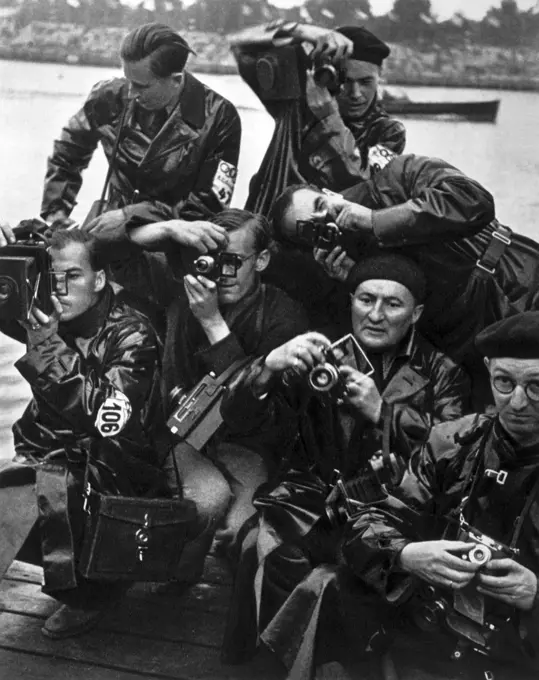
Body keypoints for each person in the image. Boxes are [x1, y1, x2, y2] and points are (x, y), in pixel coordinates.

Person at [218, 253, 470, 677]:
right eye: (366, 299)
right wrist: (267, 367)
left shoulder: (444, 373)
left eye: (393, 304)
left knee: (338, 580)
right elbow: (242, 422)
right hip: (311, 503)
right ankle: (275, 668)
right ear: (350, 300)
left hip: (391, 515)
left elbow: (457, 457)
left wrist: (383, 412)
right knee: (272, 553)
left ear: (416, 313)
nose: (375, 314)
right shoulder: (320, 355)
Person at [87, 207, 309, 588]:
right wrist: (168, 229)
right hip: (179, 435)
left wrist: (212, 323)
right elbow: (100, 247)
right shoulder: (179, 285)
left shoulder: (283, 316)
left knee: (241, 531)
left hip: (244, 441)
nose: (220, 273)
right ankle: (176, 573)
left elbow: (255, 411)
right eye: (212, 260)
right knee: (206, 501)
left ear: (263, 260)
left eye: (234, 262)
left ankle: (204, 558)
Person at [341, 311, 539, 680]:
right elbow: (371, 519)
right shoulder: (452, 441)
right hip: (435, 644)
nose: (516, 403)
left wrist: (535, 594)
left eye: (536, 387)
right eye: (503, 382)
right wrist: (405, 554)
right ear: (488, 371)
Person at [0, 224, 167, 639]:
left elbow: (107, 416)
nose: (59, 288)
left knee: (28, 490)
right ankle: (78, 580)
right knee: (15, 486)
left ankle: (91, 594)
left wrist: (47, 347)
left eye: (73, 276)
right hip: (57, 457)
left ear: (100, 278)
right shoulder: (51, 317)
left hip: (116, 469)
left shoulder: (133, 333)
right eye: (51, 277)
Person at [267, 152, 539, 406]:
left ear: (329, 192)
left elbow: (475, 200)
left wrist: (374, 220)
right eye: (310, 229)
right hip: (473, 337)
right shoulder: (343, 263)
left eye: (319, 205)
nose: (324, 218)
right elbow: (407, 328)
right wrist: (353, 279)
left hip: (517, 276)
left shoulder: (397, 176)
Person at [41, 22, 241, 235]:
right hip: (112, 238)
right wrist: (56, 212)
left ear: (176, 79)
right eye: (128, 81)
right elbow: (67, 152)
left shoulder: (220, 117)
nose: (130, 93)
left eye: (141, 86)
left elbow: (209, 206)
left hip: (178, 245)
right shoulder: (107, 98)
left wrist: (131, 216)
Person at [230, 21, 405, 215]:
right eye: (345, 82)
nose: (356, 94)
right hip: (268, 223)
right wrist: (302, 31)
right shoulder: (296, 100)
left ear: (379, 77)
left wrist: (328, 118)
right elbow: (240, 45)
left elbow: (366, 189)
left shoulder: (388, 132)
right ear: (330, 76)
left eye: (365, 82)